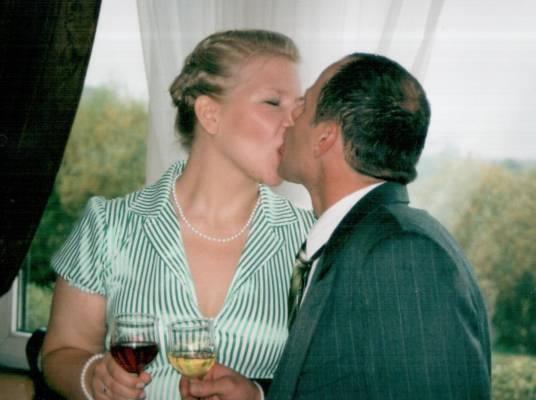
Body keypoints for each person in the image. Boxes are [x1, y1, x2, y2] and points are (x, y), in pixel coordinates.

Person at [181, 53, 491, 399]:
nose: (289, 119)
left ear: (325, 138)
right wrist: (258, 395)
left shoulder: (401, 254)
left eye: (304, 105)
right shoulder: (360, 242)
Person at [41, 29, 314, 400]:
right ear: (210, 114)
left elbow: (333, 379)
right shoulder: (109, 226)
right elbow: (61, 353)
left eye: (298, 108)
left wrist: (258, 395)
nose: (294, 122)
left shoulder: (311, 240)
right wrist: (95, 377)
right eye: (273, 103)